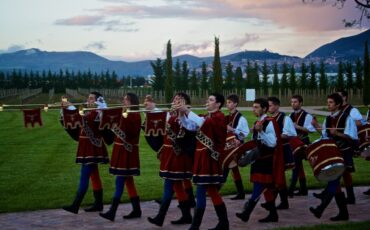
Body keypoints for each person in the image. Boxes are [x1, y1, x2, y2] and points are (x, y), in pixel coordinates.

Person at [178, 93, 229, 230]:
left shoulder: (219, 117)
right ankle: (223, 223)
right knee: (211, 191)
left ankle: (195, 226)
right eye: (208, 99)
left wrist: (187, 110)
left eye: (211, 100)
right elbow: (189, 126)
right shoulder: (207, 117)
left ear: (218, 104)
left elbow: (203, 123)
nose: (207, 102)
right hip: (202, 157)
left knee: (202, 190)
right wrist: (182, 114)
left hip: (210, 158)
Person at [147, 92, 195, 227]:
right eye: (174, 99)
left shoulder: (186, 115)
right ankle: (186, 216)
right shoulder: (171, 114)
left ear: (185, 102)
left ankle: (160, 217)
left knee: (169, 185)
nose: (175, 101)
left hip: (178, 155)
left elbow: (185, 132)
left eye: (179, 99)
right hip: (169, 153)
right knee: (177, 185)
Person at [309, 93, 357, 221]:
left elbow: (352, 137)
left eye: (330, 102)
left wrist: (338, 133)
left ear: (338, 104)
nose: (328, 104)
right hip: (333, 154)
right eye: (328, 102)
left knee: (334, 180)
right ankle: (343, 214)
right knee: (334, 182)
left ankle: (321, 208)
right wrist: (316, 126)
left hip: (344, 153)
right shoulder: (328, 119)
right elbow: (325, 136)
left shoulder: (347, 118)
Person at [235, 98, 284, 223]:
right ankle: (273, 215)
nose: (254, 109)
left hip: (266, 161)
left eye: (256, 107)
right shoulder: (258, 122)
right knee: (265, 188)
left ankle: (246, 213)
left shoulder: (270, 122)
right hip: (258, 160)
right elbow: (255, 143)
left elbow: (273, 143)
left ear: (264, 109)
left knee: (259, 186)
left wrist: (261, 131)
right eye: (253, 107)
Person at [62, 92, 110, 214]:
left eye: (91, 98)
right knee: (94, 176)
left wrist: (71, 107)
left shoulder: (98, 112)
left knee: (84, 176)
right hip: (87, 147)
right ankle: (98, 204)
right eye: (88, 98)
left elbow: (82, 118)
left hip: (92, 148)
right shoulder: (90, 111)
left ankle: (75, 205)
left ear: (98, 100)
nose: (88, 100)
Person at [99, 93, 142, 221]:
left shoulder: (135, 115)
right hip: (121, 149)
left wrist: (121, 117)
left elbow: (130, 132)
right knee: (128, 181)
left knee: (120, 181)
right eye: (124, 99)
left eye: (127, 100)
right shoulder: (126, 113)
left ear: (132, 102)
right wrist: (104, 113)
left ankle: (112, 211)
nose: (124, 101)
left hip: (127, 151)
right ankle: (136, 209)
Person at [266, 96, 297, 210]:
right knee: (277, 176)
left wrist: (275, 137)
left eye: (270, 105)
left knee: (277, 176)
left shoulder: (285, 118)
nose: (268, 107)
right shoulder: (268, 119)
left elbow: (290, 134)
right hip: (273, 150)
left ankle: (273, 201)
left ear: (277, 106)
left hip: (283, 149)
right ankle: (282, 202)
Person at [335, 89, 365, 204]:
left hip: (348, 142)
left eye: (339, 97)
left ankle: (332, 195)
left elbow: (360, 123)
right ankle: (349, 197)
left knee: (343, 170)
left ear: (345, 98)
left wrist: (347, 122)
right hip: (339, 142)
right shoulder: (338, 110)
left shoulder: (352, 110)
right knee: (343, 171)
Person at [288, 95, 316, 196]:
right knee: (298, 166)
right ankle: (303, 189)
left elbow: (311, 130)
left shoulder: (307, 115)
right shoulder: (290, 116)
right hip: (294, 143)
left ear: (300, 103)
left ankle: (291, 189)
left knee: (296, 165)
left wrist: (297, 126)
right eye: (291, 102)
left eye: (295, 102)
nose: (293, 104)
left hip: (303, 142)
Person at [223, 94, 249, 200]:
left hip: (236, 146)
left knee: (227, 166)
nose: (227, 104)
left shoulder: (240, 117)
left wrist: (232, 130)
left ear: (235, 104)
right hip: (229, 146)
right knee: (233, 168)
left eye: (229, 102)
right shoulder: (228, 116)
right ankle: (241, 192)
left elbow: (245, 133)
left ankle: (215, 189)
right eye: (227, 102)